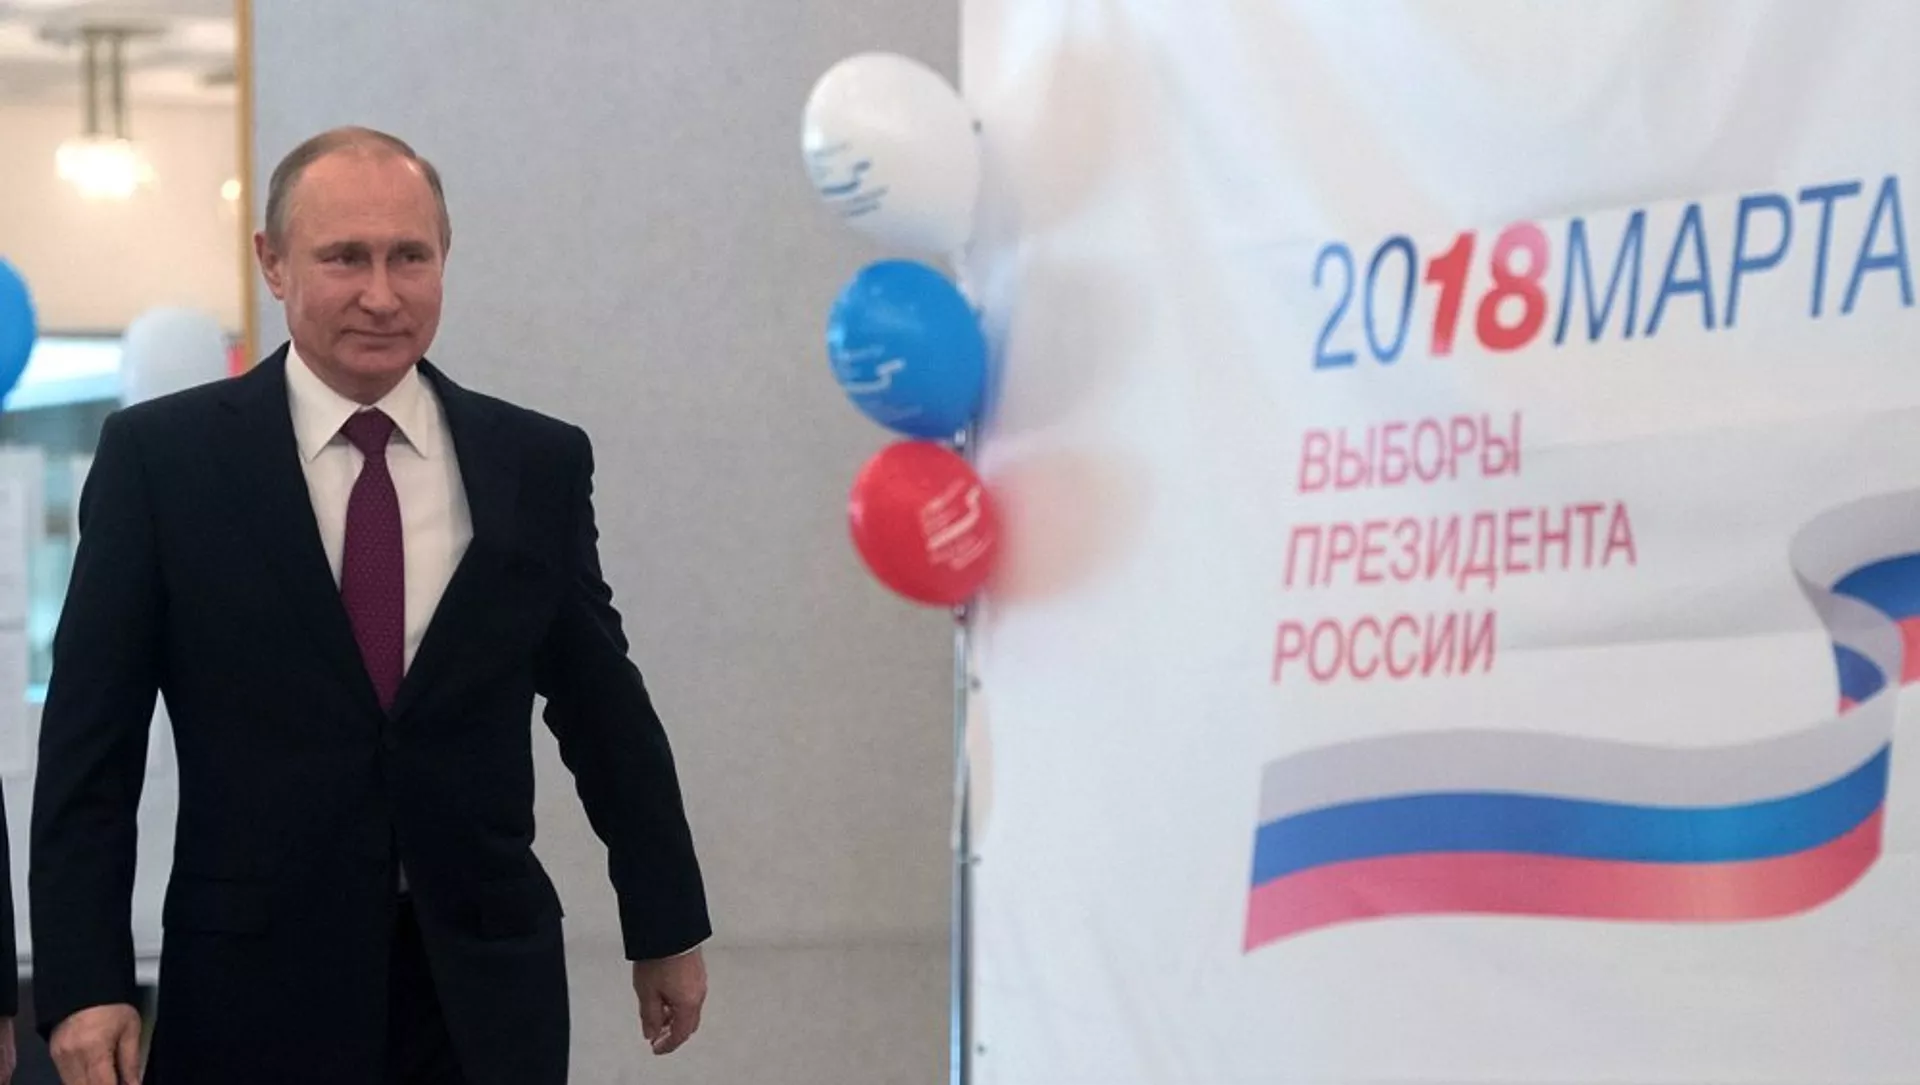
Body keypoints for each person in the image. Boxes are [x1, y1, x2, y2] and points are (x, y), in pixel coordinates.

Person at [28, 126, 712, 1085]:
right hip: (251, 988)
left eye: (409, 257)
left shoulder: (535, 464)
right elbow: (91, 744)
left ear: (445, 260)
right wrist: (84, 978)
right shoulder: (163, 464)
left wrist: (665, 917)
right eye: (345, 257)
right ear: (273, 262)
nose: (382, 294)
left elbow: (605, 714)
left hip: (482, 989)